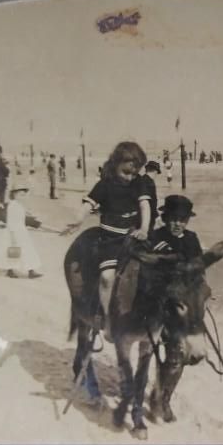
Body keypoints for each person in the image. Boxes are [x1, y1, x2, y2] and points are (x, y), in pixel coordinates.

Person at [62, 142, 151, 336]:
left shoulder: (139, 183)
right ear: (115, 165)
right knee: (106, 277)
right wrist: (78, 220)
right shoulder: (104, 185)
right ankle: (108, 319)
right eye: (126, 172)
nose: (130, 177)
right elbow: (88, 205)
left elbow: (145, 206)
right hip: (110, 240)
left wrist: (144, 228)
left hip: (132, 237)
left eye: (134, 173)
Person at [0, 187, 42, 279]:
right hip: (14, 232)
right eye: (20, 195)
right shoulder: (12, 205)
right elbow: (11, 221)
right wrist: (12, 235)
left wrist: (30, 215)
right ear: (14, 195)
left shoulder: (19, 205)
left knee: (28, 250)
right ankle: (10, 270)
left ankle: (31, 271)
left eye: (24, 195)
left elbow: (22, 216)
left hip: (21, 231)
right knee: (14, 252)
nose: (23, 197)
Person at [150, 195, 204, 261]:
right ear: (164, 218)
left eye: (183, 219)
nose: (178, 224)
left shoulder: (191, 239)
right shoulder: (154, 237)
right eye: (173, 218)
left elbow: (198, 265)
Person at [141, 161, 161, 230]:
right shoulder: (150, 183)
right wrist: (157, 216)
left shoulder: (141, 179)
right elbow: (151, 203)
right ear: (155, 171)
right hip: (148, 216)